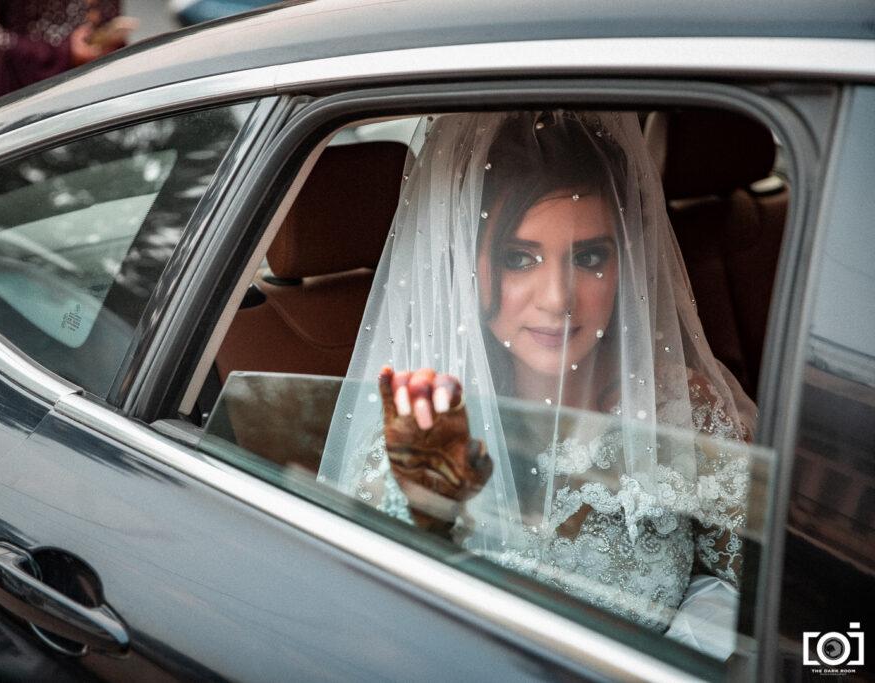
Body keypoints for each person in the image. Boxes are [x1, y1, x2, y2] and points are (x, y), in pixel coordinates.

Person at [318, 111, 757, 657]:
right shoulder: (420, 434)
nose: (559, 297)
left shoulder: (683, 410)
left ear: (628, 262)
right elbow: (375, 639)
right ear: (464, 265)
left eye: (591, 257)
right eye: (518, 258)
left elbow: (763, 590)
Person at [0, 0, 134, 98]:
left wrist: (104, 36)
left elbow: (105, 10)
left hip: (95, 84)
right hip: (30, 95)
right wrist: (59, 53)